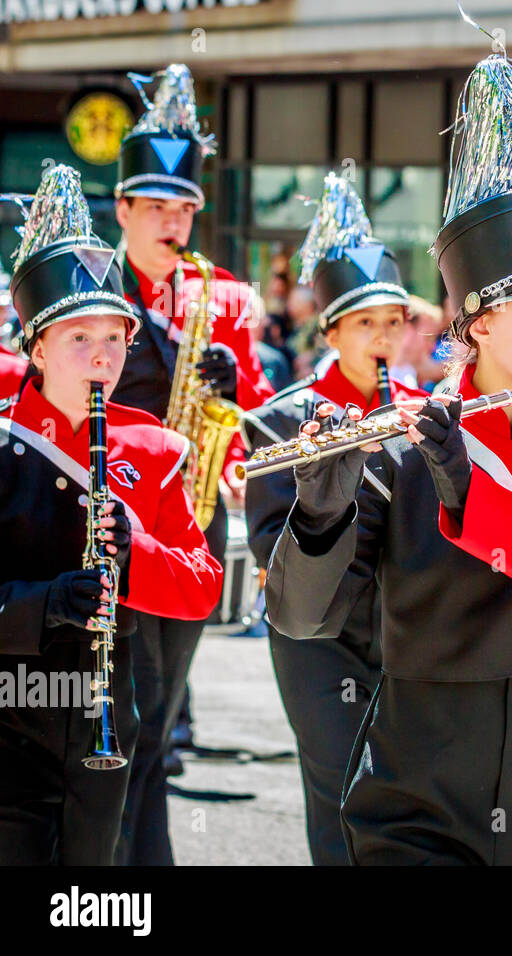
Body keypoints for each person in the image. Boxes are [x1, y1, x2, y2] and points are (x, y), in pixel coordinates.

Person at [264, 54, 512, 865]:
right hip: (413, 778)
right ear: (476, 322)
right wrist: (316, 516)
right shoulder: (397, 443)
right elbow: (302, 619)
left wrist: (474, 493)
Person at [0, 164, 220, 865]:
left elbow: (201, 585)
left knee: (95, 885)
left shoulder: (152, 447)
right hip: (9, 705)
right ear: (35, 348)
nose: (103, 357)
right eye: (78, 339)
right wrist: (40, 606)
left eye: (115, 339)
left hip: (107, 704)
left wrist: (135, 553)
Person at [109, 63, 274, 866]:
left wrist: (234, 394)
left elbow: (254, 411)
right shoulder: (91, 286)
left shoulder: (224, 299)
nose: (175, 224)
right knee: (116, 718)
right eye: (158, 209)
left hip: (191, 520)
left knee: (158, 717)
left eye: (185, 210)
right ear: (124, 211)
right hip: (105, 521)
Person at [242, 173, 427, 866]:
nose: (383, 338)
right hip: (317, 633)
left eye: (393, 321)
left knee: (403, 793)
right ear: (331, 330)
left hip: (408, 626)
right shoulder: (279, 418)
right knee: (339, 785)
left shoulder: (431, 411)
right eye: (364, 323)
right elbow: (268, 542)